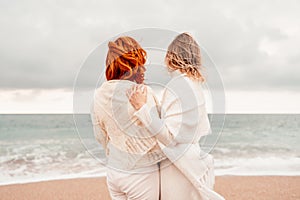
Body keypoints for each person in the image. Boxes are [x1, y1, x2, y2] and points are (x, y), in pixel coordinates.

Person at [127, 33, 225, 200]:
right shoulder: (195, 86)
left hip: (177, 168)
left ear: (171, 56)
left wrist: (141, 108)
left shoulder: (177, 86)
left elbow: (169, 137)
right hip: (192, 160)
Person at [91, 36, 166, 200]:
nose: (144, 69)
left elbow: (100, 136)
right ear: (133, 64)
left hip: (114, 172)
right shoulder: (143, 92)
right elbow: (159, 134)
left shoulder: (99, 95)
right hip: (140, 173)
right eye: (141, 64)